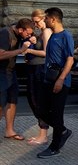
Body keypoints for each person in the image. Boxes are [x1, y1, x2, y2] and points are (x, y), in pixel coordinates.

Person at [36, 7, 74, 159]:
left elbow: (70, 60)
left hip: (60, 81)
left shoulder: (66, 36)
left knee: (57, 114)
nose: (44, 20)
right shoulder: (52, 36)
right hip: (48, 79)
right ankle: (63, 131)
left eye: (46, 18)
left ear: (53, 19)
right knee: (41, 112)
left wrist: (60, 79)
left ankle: (55, 146)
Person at [0, 18, 34, 140]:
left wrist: (31, 38)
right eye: (28, 33)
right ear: (20, 29)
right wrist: (20, 50)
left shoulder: (19, 31)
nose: (29, 35)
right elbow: (1, 54)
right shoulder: (5, 33)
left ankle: (9, 130)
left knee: (12, 101)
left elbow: (28, 34)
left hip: (10, 71)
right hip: (1, 72)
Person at [25, 9, 52, 145]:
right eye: (34, 22)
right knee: (33, 99)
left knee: (39, 101)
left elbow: (46, 53)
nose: (35, 25)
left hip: (40, 69)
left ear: (43, 18)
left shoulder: (47, 32)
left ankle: (43, 135)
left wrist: (29, 50)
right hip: (34, 68)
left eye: (37, 21)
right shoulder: (41, 33)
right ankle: (42, 133)